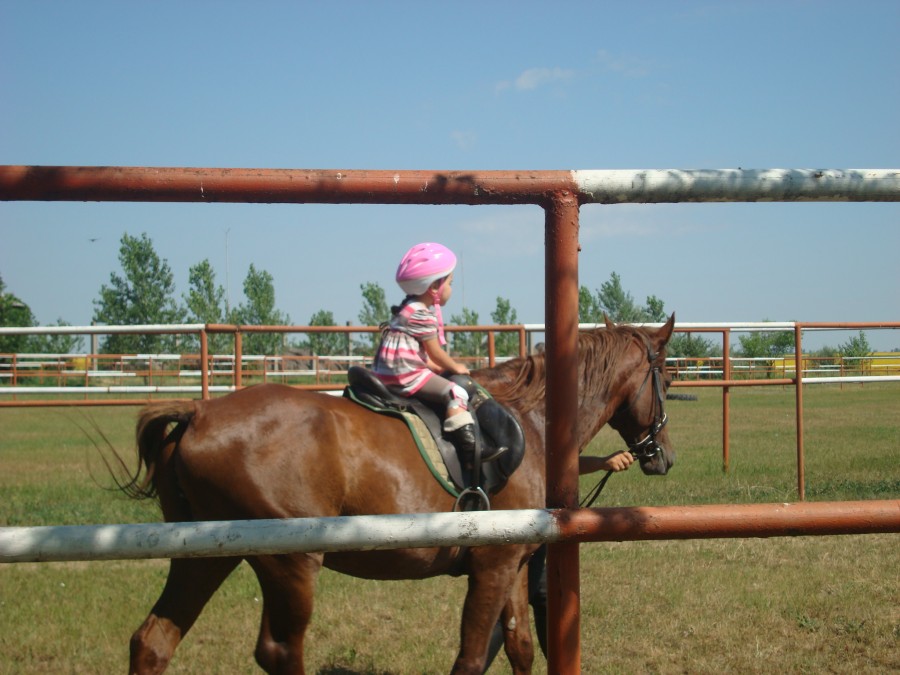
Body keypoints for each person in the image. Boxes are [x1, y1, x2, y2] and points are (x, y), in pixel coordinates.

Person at [483, 449, 636, 670]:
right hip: (525, 528)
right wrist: (601, 462)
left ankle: (561, 668)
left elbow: (553, 463)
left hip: (532, 528)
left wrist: (602, 462)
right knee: (504, 612)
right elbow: (549, 464)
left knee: (543, 595)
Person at [373, 242, 478, 472]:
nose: (451, 288)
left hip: (387, 371)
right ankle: (466, 451)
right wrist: (455, 367)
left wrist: (433, 367)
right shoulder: (422, 314)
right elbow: (434, 352)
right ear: (434, 288)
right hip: (405, 374)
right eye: (450, 283)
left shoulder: (407, 309)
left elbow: (415, 351)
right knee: (456, 392)